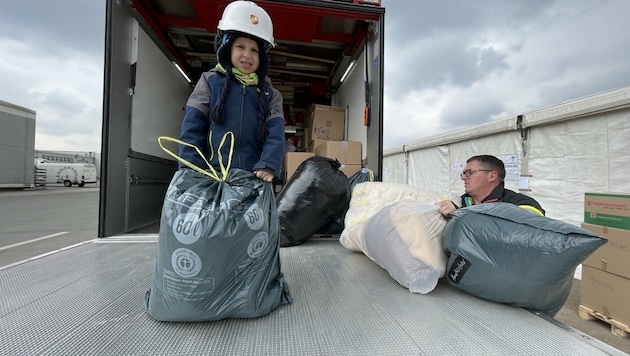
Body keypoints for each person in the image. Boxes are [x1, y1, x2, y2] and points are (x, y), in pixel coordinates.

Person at [178, 0, 284, 182]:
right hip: (210, 177)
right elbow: (192, 127)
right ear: (227, 48)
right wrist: (191, 167)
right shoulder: (209, 82)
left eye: (254, 50)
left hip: (253, 179)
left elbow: (275, 134)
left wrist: (269, 164)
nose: (247, 55)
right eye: (240, 47)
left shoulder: (271, 95)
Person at [436, 155, 545, 217]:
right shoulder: (460, 202)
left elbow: (512, 230)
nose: (463, 178)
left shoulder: (522, 203)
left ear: (492, 176)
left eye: (469, 172)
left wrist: (459, 214)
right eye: (463, 174)